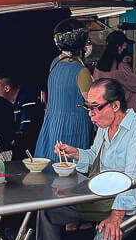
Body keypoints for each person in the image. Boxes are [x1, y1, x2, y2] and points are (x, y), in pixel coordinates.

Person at [27, 78, 136, 240]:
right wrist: (75, 152)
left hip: (133, 198)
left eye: (95, 108)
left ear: (115, 105)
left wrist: (116, 217)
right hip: (103, 192)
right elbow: (95, 156)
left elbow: (133, 178)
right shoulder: (105, 125)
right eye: (88, 108)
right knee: (49, 208)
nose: (90, 114)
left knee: (106, 239)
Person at [34, 18, 95, 161]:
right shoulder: (81, 71)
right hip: (72, 130)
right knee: (70, 174)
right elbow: (93, 103)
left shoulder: (55, 62)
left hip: (51, 126)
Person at [93, 29, 136, 112]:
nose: (123, 51)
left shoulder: (99, 67)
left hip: (103, 111)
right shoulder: (120, 67)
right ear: (118, 46)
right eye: (123, 48)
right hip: (121, 113)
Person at [0, 74, 40, 156]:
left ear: (7, 88)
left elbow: (27, 131)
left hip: (30, 151)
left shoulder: (27, 98)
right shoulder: (7, 104)